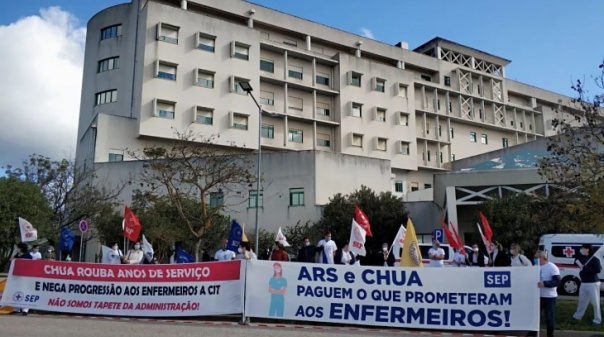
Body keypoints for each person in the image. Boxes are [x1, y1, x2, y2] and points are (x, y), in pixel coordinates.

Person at [571, 244, 602, 325]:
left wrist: (586, 268)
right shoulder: (582, 257)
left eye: (583, 248)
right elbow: (576, 261)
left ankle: (597, 319)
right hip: (584, 283)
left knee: (595, 302)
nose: (581, 249)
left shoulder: (594, 259)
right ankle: (577, 316)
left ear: (588, 249)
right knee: (582, 301)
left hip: (593, 283)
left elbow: (598, 270)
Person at [534, 250, 560, 337]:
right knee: (536, 317)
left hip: (549, 296)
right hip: (538, 296)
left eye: (536, 257)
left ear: (542, 258)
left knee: (549, 317)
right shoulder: (536, 266)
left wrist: (545, 284)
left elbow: (557, 281)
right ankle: (533, 333)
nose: (535, 259)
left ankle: (550, 334)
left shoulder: (552, 267)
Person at [11, 242, 32, 315]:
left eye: (18, 247)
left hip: (25, 277)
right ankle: (16, 309)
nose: (16, 249)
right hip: (17, 276)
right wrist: (14, 253)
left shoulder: (28, 255)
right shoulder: (17, 255)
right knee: (16, 291)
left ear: (21, 248)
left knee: (25, 292)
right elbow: (11, 260)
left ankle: (25, 309)